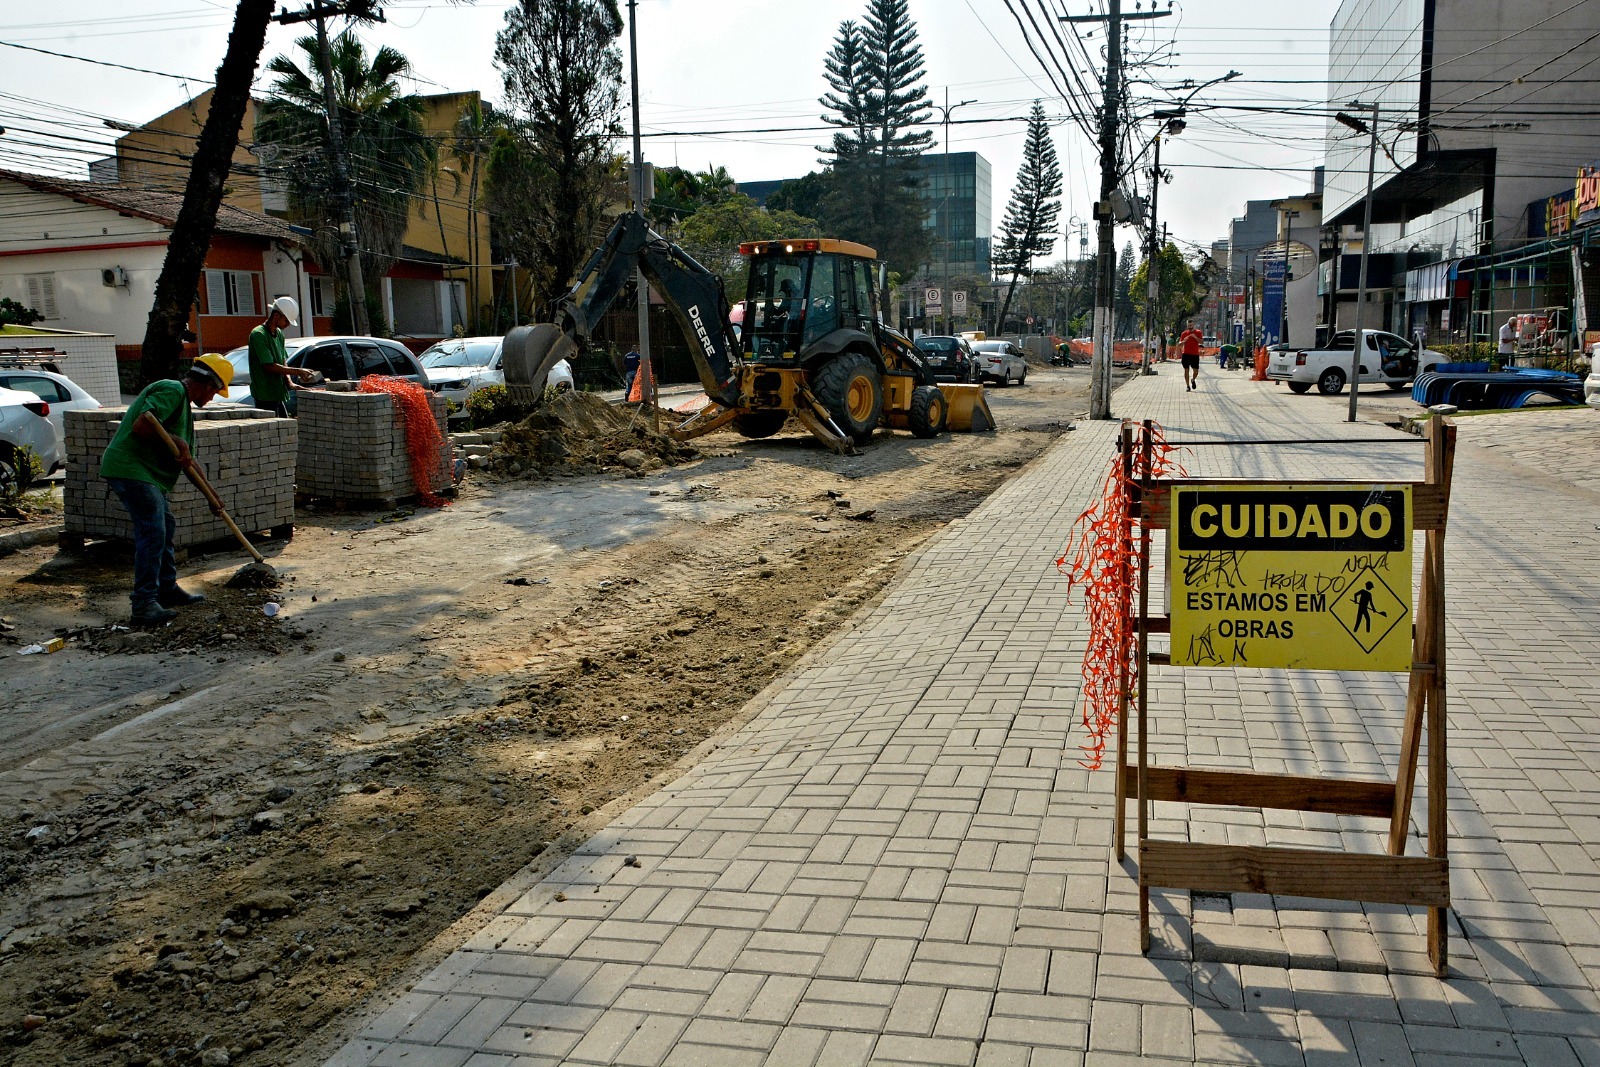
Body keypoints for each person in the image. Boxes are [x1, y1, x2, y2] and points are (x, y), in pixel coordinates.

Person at [99, 355, 233, 625]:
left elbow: (189, 462)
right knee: (153, 530)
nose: (213, 399)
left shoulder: (183, 407)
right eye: (216, 392)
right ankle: (144, 604)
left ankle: (166, 589)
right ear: (208, 385)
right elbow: (142, 424)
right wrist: (177, 441)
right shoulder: (172, 390)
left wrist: (212, 496)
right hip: (130, 468)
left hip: (143, 474)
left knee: (165, 525)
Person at [248, 296, 316, 416]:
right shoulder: (258, 334)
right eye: (286, 321)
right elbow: (269, 366)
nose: (288, 324)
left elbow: (282, 361)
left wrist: (289, 383)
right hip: (265, 396)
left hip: (277, 393)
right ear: (276, 316)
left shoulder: (279, 335)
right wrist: (298, 372)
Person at [1179, 325, 1203, 390]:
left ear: (1193, 325)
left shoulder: (1198, 332)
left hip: (1195, 354)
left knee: (1196, 371)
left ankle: (1193, 379)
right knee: (1186, 370)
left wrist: (1195, 337)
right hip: (1186, 354)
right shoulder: (1184, 333)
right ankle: (1187, 386)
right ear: (1187, 326)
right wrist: (1183, 341)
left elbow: (1201, 342)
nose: (1190, 326)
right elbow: (1180, 344)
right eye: (1189, 325)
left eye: (1191, 325)